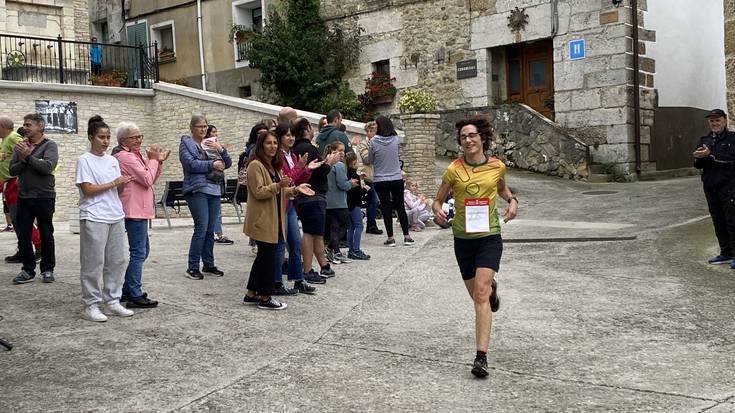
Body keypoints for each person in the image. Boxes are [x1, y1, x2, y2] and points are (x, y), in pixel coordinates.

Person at [432, 116, 518, 378]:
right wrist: (437, 212)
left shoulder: (497, 167)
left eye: (472, 135)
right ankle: (492, 287)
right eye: (463, 138)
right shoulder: (453, 170)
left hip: (489, 237)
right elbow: (437, 200)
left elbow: (503, 189)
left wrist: (512, 201)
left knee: (480, 295)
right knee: (478, 295)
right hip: (463, 240)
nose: (467, 140)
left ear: (482, 138)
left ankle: (481, 358)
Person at [243, 130, 314, 310]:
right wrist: (279, 185)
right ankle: (265, 298)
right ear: (261, 145)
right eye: (269, 143)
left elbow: (280, 190)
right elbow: (259, 192)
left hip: (274, 219)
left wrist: (296, 189)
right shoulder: (255, 165)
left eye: (275, 143)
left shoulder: (272, 165)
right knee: (267, 260)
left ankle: (251, 294)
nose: (273, 146)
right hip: (263, 219)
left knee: (262, 258)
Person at [76, 115, 134, 322]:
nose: (106, 141)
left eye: (108, 137)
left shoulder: (112, 160)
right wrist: (114, 182)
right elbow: (88, 189)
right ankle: (91, 304)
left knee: (117, 261)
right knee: (93, 262)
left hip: (115, 214)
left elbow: (116, 191)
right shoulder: (84, 160)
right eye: (101, 137)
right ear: (91, 137)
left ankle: (112, 301)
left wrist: (123, 183)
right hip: (94, 215)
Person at [113, 121, 168, 309]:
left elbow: (151, 177)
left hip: (140, 208)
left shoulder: (133, 155)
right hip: (133, 209)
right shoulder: (126, 157)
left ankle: (126, 289)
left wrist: (157, 161)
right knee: (138, 252)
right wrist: (153, 159)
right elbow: (146, 179)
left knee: (142, 250)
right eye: (134, 137)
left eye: (139, 136)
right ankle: (134, 293)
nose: (138, 140)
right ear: (123, 140)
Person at [179, 114, 232, 280]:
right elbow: (191, 164)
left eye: (205, 126)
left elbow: (228, 163)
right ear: (192, 128)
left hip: (215, 189)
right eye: (199, 127)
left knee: (210, 230)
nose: (203, 129)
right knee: (201, 228)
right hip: (198, 189)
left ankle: (208, 264)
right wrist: (212, 164)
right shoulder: (186, 144)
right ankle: (192, 267)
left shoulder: (211, 143)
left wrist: (221, 149)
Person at [275, 122, 325, 290]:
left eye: (292, 135)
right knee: (281, 245)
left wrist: (307, 169)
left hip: (290, 203)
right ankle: (277, 283)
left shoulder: (293, 156)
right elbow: (286, 181)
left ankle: (298, 280)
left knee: (295, 242)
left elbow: (297, 182)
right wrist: (300, 167)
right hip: (281, 203)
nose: (291, 138)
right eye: (287, 135)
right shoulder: (278, 157)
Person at [9, 113, 58, 284]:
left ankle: (48, 269)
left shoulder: (50, 146)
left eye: (28, 124)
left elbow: (47, 167)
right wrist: (23, 159)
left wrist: (28, 157)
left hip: (44, 197)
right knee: (23, 234)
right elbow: (12, 170)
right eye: (24, 125)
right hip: (24, 197)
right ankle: (27, 270)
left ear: (40, 126)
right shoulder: (21, 146)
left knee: (46, 234)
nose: (25, 128)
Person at [291, 117, 339, 280]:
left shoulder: (295, 148)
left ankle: (323, 265)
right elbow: (320, 170)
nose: (313, 131)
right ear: (305, 130)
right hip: (313, 195)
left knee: (316, 232)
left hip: (305, 196)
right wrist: (329, 162)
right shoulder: (308, 148)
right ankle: (307, 270)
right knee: (311, 233)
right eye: (310, 128)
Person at [693, 109, 735, 267]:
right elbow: (698, 165)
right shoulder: (704, 140)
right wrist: (698, 158)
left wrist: (710, 156)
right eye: (711, 121)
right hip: (710, 186)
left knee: (732, 220)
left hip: (729, 185)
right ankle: (725, 253)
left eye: (717, 120)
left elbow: (730, 159)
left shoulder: (732, 138)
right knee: (718, 220)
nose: (714, 123)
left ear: (724, 120)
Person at [0, 116, 42, 264]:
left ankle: (38, 248)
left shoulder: (13, 137)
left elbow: (26, 150)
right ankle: (24, 250)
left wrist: (19, 176)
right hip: (7, 183)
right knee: (17, 220)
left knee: (22, 219)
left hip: (15, 183)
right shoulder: (5, 140)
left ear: (2, 126)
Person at [367, 115, 413, 247]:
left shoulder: (373, 142)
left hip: (380, 179)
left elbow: (370, 160)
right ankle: (407, 236)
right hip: (396, 177)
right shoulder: (395, 139)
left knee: (386, 207)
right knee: (400, 207)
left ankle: (391, 238)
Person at [239, 123, 268, 255]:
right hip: (257, 185)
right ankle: (255, 241)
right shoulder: (254, 149)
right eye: (260, 133)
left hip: (265, 185)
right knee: (257, 213)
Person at [325, 142, 356, 264]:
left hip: (328, 201)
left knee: (334, 226)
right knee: (344, 225)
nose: (342, 153)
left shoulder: (327, 164)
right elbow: (342, 184)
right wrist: (351, 184)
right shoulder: (340, 165)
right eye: (339, 150)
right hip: (339, 202)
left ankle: (335, 251)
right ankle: (333, 249)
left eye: (343, 150)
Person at [203, 124, 234, 245]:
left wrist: (221, 149)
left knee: (216, 210)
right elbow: (223, 163)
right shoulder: (207, 145)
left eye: (216, 132)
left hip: (217, 181)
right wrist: (219, 149)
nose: (216, 134)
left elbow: (227, 163)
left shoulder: (216, 146)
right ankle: (217, 234)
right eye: (213, 132)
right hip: (211, 181)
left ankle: (216, 233)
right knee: (215, 212)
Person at [356, 121, 382, 235]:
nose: (374, 134)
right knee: (373, 200)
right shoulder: (363, 144)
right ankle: (371, 225)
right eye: (372, 131)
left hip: (378, 176)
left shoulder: (379, 143)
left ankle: (372, 224)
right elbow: (367, 159)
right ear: (368, 132)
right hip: (367, 177)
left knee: (374, 201)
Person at [345, 152, 370, 260]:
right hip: (354, 203)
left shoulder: (346, 173)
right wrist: (365, 189)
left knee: (350, 227)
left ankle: (351, 250)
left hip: (347, 203)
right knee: (359, 226)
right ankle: (356, 250)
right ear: (354, 161)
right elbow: (357, 192)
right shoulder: (354, 175)